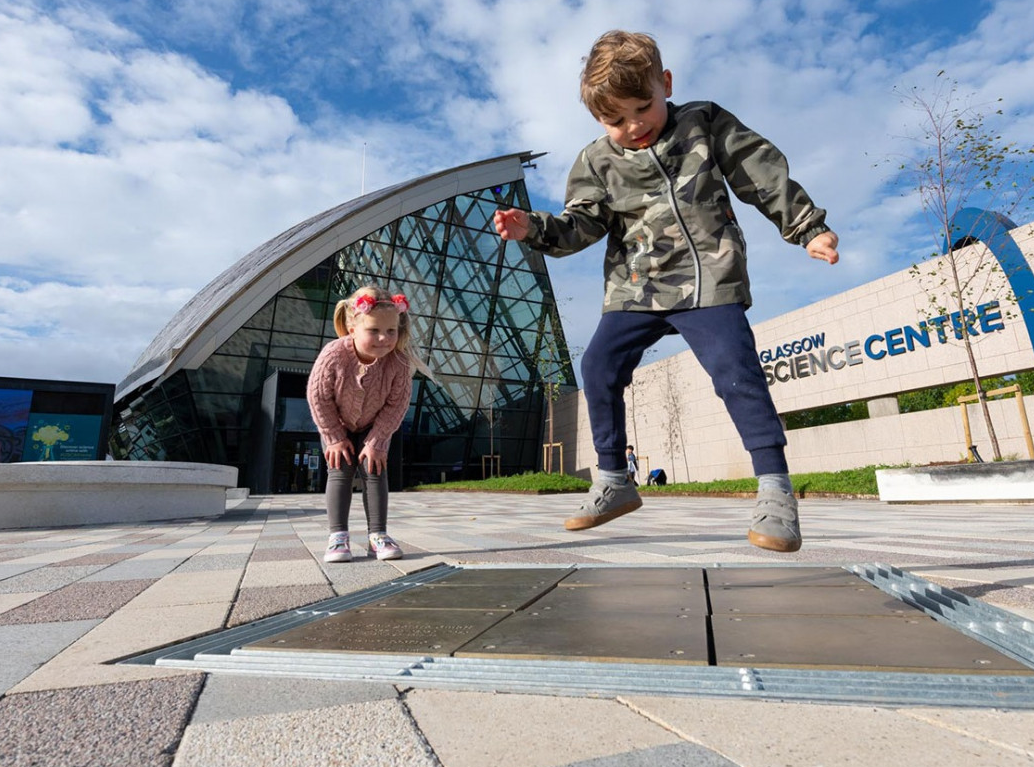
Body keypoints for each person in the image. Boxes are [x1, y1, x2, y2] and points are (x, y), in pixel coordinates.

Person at [492, 30, 840, 553]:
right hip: (637, 287)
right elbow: (580, 225)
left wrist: (807, 227)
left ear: (667, 85)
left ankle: (775, 491)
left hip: (708, 278)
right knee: (598, 367)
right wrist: (532, 228)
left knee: (735, 372)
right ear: (596, 120)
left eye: (643, 107)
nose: (633, 127)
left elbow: (759, 173)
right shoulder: (595, 162)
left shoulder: (703, 123)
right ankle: (612, 480)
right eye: (615, 120)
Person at [307, 287, 431, 563]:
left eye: (391, 331)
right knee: (339, 469)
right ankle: (337, 537)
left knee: (375, 471)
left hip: (374, 427)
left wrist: (377, 441)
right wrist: (335, 438)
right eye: (374, 330)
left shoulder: (398, 363)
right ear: (352, 326)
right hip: (336, 424)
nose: (384, 338)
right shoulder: (333, 355)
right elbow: (318, 397)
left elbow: (396, 406)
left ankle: (378, 534)